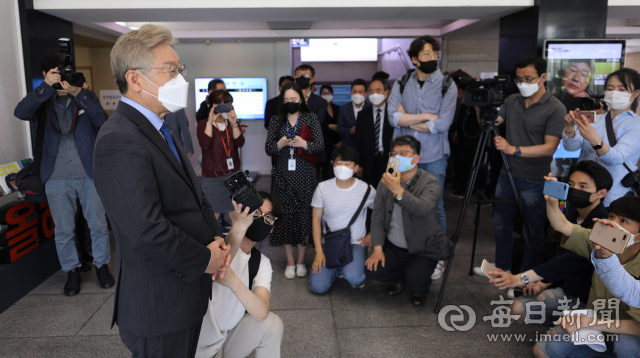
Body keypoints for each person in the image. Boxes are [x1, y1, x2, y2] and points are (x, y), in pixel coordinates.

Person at [94, 24, 252, 358]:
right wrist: (208, 258)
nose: (181, 79)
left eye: (181, 69)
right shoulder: (120, 139)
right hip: (159, 304)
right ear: (135, 80)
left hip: (183, 290)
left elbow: (189, 195)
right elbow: (147, 229)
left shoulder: (160, 126)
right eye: (171, 71)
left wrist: (215, 238)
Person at [14, 50, 113, 297]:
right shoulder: (42, 100)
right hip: (56, 175)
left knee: (98, 224)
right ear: (46, 75)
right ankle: (72, 272)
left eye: (62, 72)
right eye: (54, 73)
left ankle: (102, 267)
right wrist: (45, 88)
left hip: (88, 171)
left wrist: (78, 93)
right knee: (64, 229)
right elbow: (20, 112)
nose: (61, 77)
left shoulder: (85, 95)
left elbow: (102, 120)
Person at [472, 55, 566, 278]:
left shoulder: (555, 108)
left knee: (532, 231)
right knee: (500, 225)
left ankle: (526, 277)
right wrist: (479, 104)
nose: (523, 83)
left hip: (535, 178)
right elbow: (492, 123)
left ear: (543, 77)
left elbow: (549, 147)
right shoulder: (512, 100)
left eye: (528, 78)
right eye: (519, 79)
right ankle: (502, 268)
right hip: (507, 174)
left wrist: (512, 148)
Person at [489, 161, 612, 325]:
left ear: (601, 193)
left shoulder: (603, 227)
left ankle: (571, 326)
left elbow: (570, 261)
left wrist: (520, 278)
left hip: (589, 301)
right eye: (571, 184)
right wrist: (544, 282)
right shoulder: (573, 212)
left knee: (545, 350)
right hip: (567, 289)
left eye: (583, 186)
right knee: (517, 309)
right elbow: (562, 250)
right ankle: (563, 323)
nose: (575, 190)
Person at [536, 190, 640, 358]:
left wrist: (591, 323)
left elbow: (636, 324)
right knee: (553, 348)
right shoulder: (601, 241)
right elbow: (562, 226)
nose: (613, 223)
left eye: (623, 220)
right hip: (600, 328)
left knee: (625, 344)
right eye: (611, 216)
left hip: (626, 332)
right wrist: (552, 203)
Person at [365, 135, 452, 307]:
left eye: (403, 153)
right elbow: (378, 216)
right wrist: (377, 248)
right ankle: (399, 279)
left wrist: (397, 189)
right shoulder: (386, 180)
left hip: (423, 247)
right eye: (394, 153)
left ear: (416, 158)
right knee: (372, 270)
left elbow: (422, 208)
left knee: (416, 278)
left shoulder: (431, 182)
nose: (397, 157)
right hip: (394, 245)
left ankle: (421, 289)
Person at [196, 192, 284, 358]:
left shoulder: (261, 262)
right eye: (256, 213)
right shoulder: (216, 244)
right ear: (242, 213)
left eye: (268, 218)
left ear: (272, 227)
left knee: (272, 324)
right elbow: (221, 259)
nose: (261, 219)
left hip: (224, 342)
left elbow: (261, 312)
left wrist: (233, 282)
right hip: (194, 341)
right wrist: (241, 226)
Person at [387, 35, 457, 234]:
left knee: (435, 205)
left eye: (435, 54)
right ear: (415, 59)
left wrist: (407, 119)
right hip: (400, 156)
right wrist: (426, 117)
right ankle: (403, 248)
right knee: (396, 201)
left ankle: (437, 255)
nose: (433, 58)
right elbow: (392, 118)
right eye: (427, 54)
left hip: (434, 155)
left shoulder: (447, 84)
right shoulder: (401, 82)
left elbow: (443, 123)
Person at [265, 81, 325, 279]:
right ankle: (290, 262)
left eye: (294, 99)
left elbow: (320, 145)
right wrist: (281, 143)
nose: (290, 102)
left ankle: (301, 261)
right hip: (283, 175)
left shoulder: (310, 118)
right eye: (287, 99)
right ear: (282, 101)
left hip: (306, 175)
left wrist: (304, 144)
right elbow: (269, 149)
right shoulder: (276, 120)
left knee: (303, 218)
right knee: (285, 219)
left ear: (301, 99)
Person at [562, 68, 640, 206]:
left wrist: (594, 140)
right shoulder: (595, 118)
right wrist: (569, 128)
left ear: (636, 94)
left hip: (613, 196)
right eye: (610, 88)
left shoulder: (636, 124)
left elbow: (617, 157)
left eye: (622, 89)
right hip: (582, 193)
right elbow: (571, 146)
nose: (614, 92)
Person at [309, 147, 376, 294]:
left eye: (347, 164)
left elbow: (380, 212)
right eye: (339, 163)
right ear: (333, 164)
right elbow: (316, 220)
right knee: (317, 287)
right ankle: (340, 267)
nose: (342, 167)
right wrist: (319, 251)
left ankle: (347, 268)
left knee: (356, 278)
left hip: (355, 243)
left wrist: (373, 235)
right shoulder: (322, 188)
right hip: (332, 243)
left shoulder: (366, 189)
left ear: (356, 168)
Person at [198, 89, 245, 223]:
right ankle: (215, 244)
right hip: (213, 178)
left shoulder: (231, 123)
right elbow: (205, 145)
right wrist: (210, 121)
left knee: (236, 216)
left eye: (229, 104)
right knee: (213, 217)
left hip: (233, 176)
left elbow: (240, 143)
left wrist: (235, 123)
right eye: (224, 105)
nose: (227, 108)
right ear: (214, 106)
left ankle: (239, 244)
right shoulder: (203, 124)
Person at [352, 78, 393, 187]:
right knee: (369, 192)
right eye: (371, 91)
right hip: (368, 161)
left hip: (390, 160)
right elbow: (358, 141)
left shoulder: (393, 113)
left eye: (378, 90)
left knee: (389, 192)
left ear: (386, 92)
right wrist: (358, 163)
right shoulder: (362, 115)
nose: (374, 94)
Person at [447, 69, 481, 198]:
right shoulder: (465, 104)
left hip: (470, 141)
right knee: (464, 164)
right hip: (463, 139)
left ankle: (467, 189)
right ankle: (464, 187)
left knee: (469, 165)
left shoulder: (472, 105)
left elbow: (465, 124)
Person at [294, 64, 328, 178]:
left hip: (312, 151)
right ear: (295, 78)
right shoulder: (287, 100)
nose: (302, 78)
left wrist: (302, 102)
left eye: (306, 75)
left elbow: (316, 124)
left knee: (311, 188)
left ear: (312, 79)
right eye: (299, 75)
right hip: (290, 151)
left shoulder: (321, 102)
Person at [265, 76, 295, 170]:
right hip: (278, 144)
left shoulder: (298, 103)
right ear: (280, 88)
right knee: (278, 174)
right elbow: (267, 124)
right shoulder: (272, 103)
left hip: (296, 144)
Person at [337, 78, 371, 149]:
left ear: (365, 94)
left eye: (360, 92)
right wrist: (350, 130)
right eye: (355, 92)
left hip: (367, 146)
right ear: (351, 93)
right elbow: (339, 128)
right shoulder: (343, 109)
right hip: (349, 146)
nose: (357, 94)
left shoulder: (370, 108)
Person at [320, 84, 342, 179]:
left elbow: (343, 125)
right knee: (325, 171)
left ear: (332, 94)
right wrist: (328, 126)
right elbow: (315, 126)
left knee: (337, 170)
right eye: (324, 93)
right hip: (323, 145)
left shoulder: (338, 108)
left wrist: (341, 141)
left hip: (336, 144)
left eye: (328, 93)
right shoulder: (318, 109)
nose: (326, 95)